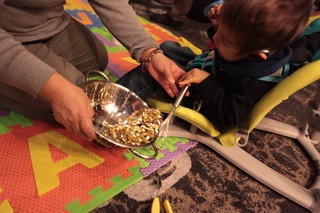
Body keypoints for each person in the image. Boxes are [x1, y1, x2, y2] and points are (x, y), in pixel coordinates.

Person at [0, 0, 186, 141]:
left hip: (49, 23)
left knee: (98, 59)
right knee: (77, 102)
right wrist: (55, 90)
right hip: (8, 36)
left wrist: (148, 52)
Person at [117, 0, 314, 132]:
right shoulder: (250, 46)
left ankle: (114, 110)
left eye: (225, 39)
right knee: (168, 49)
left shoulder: (254, 79)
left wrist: (206, 82)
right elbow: (225, 53)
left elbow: (229, 119)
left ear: (256, 55)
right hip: (208, 69)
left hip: (208, 100)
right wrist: (220, 26)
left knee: (147, 75)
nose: (215, 38)